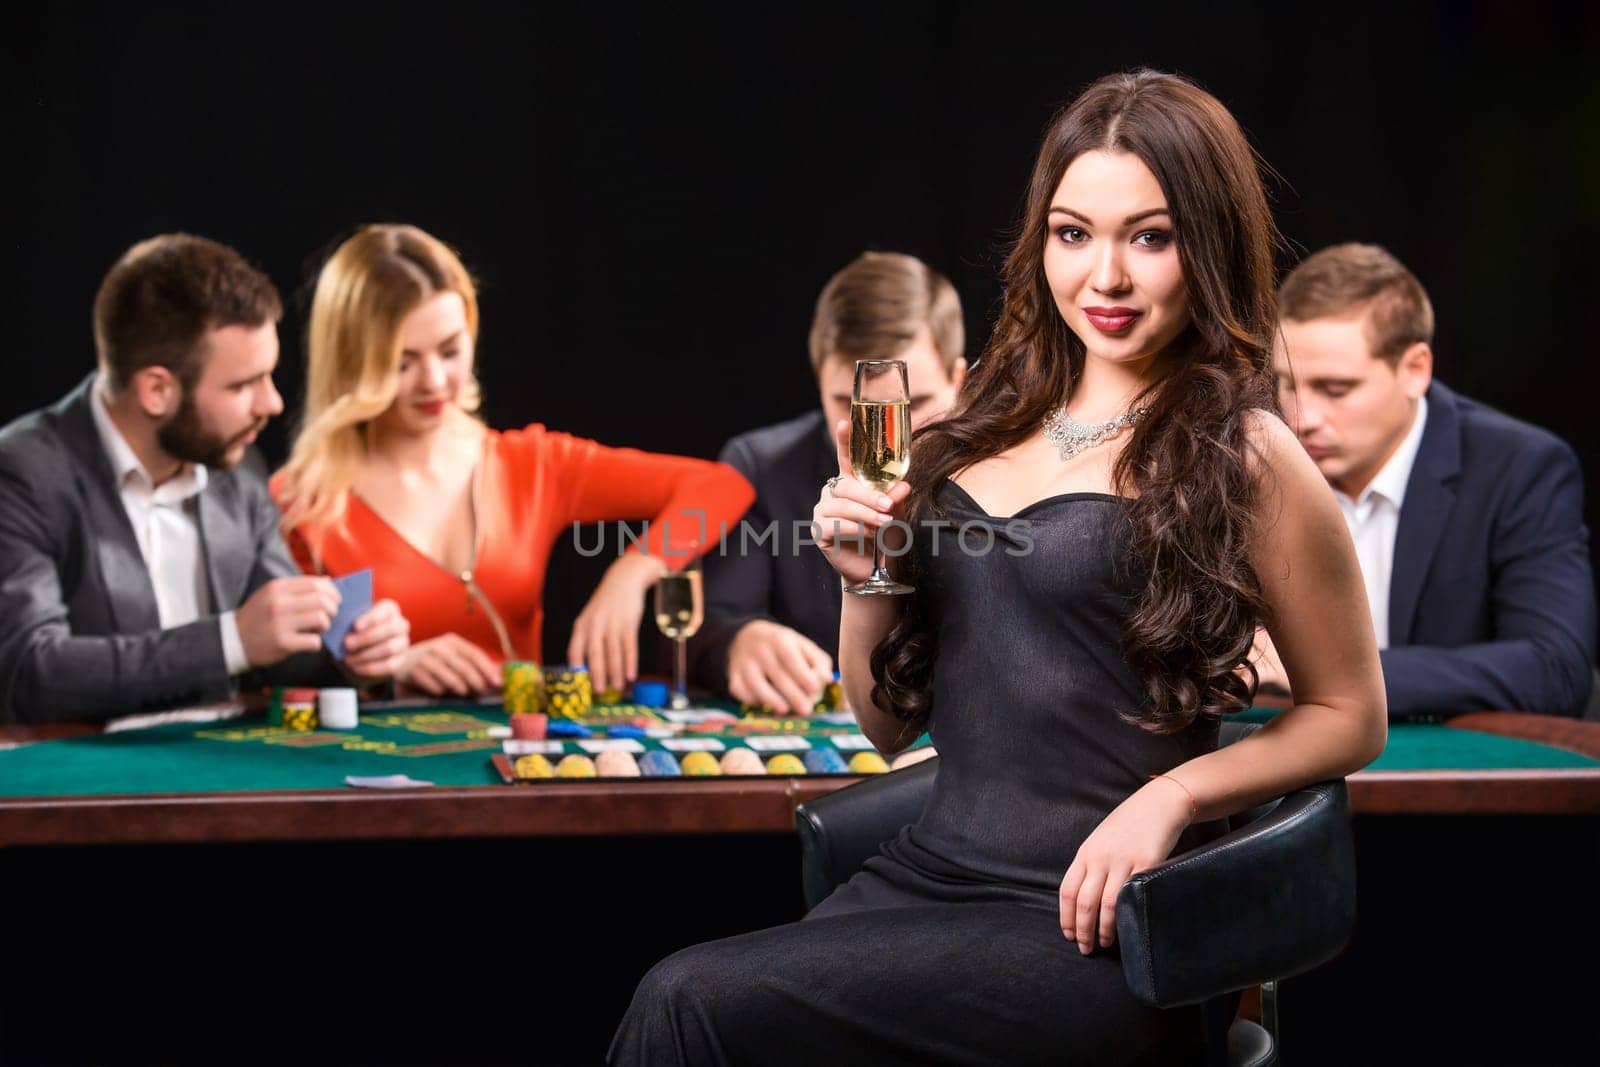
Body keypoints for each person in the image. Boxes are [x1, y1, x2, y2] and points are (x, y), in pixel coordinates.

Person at [611, 70, 1387, 1064]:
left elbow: (1347, 712)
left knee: (683, 1001)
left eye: (1147, 237)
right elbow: (888, 724)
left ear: (1208, 243)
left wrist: (1173, 795)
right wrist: (865, 578)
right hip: (924, 879)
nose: (1102, 276)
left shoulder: (1248, 452)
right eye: (1073, 233)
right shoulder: (974, 431)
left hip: (1089, 923)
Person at [273, 225, 754, 698]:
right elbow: (289, 673)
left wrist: (635, 568)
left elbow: (721, 487)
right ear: (351, 361)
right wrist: (386, 670)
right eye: (402, 362)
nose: (435, 381)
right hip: (368, 765)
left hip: (518, 760)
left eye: (450, 350)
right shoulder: (299, 503)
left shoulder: (533, 464)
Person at [0, 234, 410, 724]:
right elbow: (29, 672)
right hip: (87, 788)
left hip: (224, 778)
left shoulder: (234, 467)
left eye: (269, 376)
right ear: (157, 390)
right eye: (243, 385)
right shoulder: (23, 471)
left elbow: (279, 650)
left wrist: (352, 654)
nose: (272, 404)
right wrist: (231, 639)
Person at [1263, 243, 1595, 718]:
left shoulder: (1519, 468)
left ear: (1415, 369)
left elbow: (1555, 668)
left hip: (1453, 779)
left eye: (1336, 389)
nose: (1301, 417)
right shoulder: (1254, 460)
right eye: (1288, 383)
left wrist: (1329, 676)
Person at [689, 251, 967, 713]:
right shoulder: (760, 466)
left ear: (960, 380)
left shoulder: (1015, 469)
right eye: (853, 407)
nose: (881, 441)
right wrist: (737, 641)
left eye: (912, 405)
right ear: (819, 379)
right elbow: (710, 620)